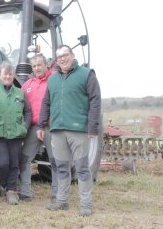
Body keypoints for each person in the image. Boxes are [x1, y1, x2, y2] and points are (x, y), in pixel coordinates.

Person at [37, 45, 101, 217]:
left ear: (72, 55)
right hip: (57, 130)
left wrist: (93, 126)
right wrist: (41, 125)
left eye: (65, 55)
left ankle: (86, 204)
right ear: (56, 61)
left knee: (81, 168)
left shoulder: (86, 74)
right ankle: (62, 201)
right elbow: (46, 103)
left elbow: (95, 100)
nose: (62, 59)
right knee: (61, 167)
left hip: (78, 129)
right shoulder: (52, 79)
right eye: (59, 57)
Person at [0, 61, 31, 205]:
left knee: (14, 164)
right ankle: (4, 184)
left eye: (10, 74)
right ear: (0, 75)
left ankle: (11, 191)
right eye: (5, 74)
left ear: (13, 75)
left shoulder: (20, 93)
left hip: (16, 135)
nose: (8, 76)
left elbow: (28, 111)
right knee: (2, 164)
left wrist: (25, 127)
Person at [19, 54, 58, 203]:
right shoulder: (28, 84)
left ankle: (57, 193)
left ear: (46, 64)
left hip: (51, 127)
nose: (37, 68)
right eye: (34, 66)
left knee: (56, 160)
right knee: (24, 158)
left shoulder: (54, 80)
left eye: (39, 65)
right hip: (34, 127)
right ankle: (25, 192)